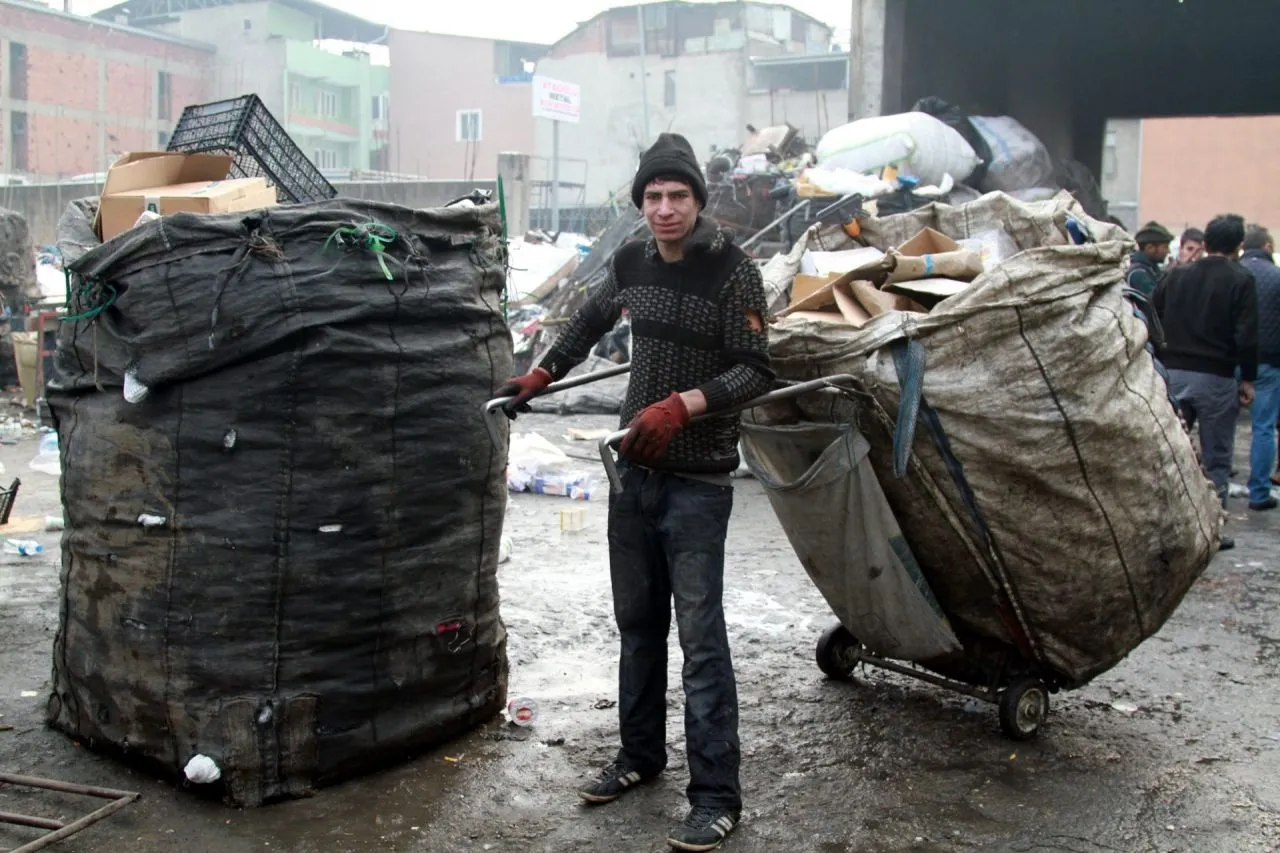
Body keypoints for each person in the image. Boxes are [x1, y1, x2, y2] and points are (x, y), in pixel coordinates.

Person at [498, 132, 772, 851]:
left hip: (699, 482)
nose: (664, 208)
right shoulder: (630, 259)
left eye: (678, 195)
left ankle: (716, 795)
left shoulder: (733, 272)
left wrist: (683, 404)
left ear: (697, 200)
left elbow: (755, 370)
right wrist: (541, 375)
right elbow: (587, 322)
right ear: (640, 203)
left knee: (702, 641)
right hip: (633, 473)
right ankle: (639, 754)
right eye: (652, 196)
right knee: (638, 626)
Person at [1154, 214, 1258, 551]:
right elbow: (1246, 336)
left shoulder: (1175, 275)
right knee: (1216, 456)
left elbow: (1152, 316)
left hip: (1173, 373)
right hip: (1216, 377)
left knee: (1170, 450)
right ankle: (1212, 527)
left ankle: (1166, 525)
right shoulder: (1240, 280)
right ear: (1238, 247)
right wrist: (1248, 380)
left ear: (1207, 243)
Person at [1240, 225, 1280, 510]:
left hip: (1224, 361)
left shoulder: (1232, 272)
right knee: (1263, 427)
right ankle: (1258, 493)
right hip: (1267, 361)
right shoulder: (1277, 278)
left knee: (1216, 428)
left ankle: (1213, 488)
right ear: (1267, 247)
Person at [1126, 221, 1174, 297]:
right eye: (1165, 247)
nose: (1168, 251)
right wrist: (1170, 276)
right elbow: (1157, 302)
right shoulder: (1138, 274)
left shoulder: (1151, 269)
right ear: (1150, 248)